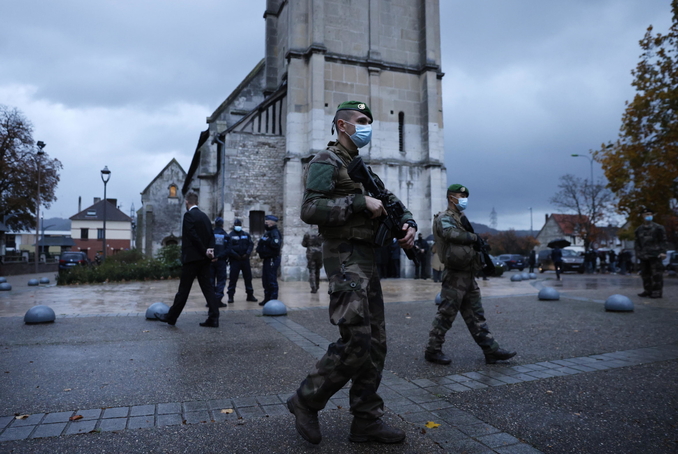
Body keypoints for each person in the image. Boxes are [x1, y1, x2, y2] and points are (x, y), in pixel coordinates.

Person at [287, 100, 416, 445]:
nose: (367, 125)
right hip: (344, 257)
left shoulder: (362, 168)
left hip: (367, 258)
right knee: (357, 340)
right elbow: (310, 209)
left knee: (376, 344)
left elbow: (392, 203)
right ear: (342, 125)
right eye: (360, 120)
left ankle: (366, 420)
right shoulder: (325, 161)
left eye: (369, 120)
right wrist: (359, 203)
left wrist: (408, 224)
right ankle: (305, 399)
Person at [425, 183, 516, 367]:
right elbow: (449, 233)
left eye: (465, 197)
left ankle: (491, 350)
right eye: (461, 196)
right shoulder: (444, 218)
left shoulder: (461, 218)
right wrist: (475, 238)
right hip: (454, 275)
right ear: (451, 198)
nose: (464, 200)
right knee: (446, 314)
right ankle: (432, 350)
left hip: (468, 274)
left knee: (476, 314)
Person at [156, 192, 221, 328]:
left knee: (183, 290)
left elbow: (192, 235)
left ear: (187, 202)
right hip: (204, 260)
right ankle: (214, 318)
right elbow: (211, 236)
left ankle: (171, 317)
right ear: (196, 202)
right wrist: (209, 251)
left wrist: (203, 250)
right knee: (208, 289)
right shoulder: (204, 217)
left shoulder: (189, 215)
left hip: (192, 259)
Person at [635, 207, 668, 298]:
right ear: (642, 216)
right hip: (644, 255)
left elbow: (663, 241)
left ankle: (657, 291)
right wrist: (638, 253)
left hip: (655, 255)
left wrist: (663, 252)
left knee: (656, 274)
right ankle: (647, 290)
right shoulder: (639, 229)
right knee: (645, 275)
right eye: (646, 214)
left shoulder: (658, 228)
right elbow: (637, 243)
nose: (648, 216)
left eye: (650, 214)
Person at [226, 219, 258, 304]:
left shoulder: (245, 235)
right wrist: (235, 255)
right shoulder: (230, 235)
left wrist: (247, 254)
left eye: (239, 224)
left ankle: (250, 295)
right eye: (237, 224)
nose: (238, 226)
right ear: (234, 225)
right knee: (233, 279)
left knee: (248, 278)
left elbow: (250, 244)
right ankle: (230, 296)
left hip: (245, 260)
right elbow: (228, 247)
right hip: (235, 260)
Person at [256, 215, 282, 305]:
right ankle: (267, 299)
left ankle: (273, 300)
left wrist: (267, 241)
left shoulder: (275, 233)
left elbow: (276, 244)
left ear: (271, 223)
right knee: (266, 280)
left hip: (272, 259)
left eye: (266, 222)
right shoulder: (267, 233)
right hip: (267, 259)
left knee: (271, 280)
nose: (265, 224)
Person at [209, 217, 229, 307]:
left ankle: (211, 300)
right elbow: (228, 249)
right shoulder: (225, 235)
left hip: (210, 260)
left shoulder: (210, 234)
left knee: (210, 281)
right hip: (221, 261)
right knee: (221, 280)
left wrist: (212, 257)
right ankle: (218, 299)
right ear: (222, 224)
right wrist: (219, 257)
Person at [302, 228, 323, 293]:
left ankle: (313, 287)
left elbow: (303, 244)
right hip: (320, 251)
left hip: (311, 252)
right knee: (318, 269)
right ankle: (317, 285)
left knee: (312, 270)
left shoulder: (307, 233)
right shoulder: (321, 232)